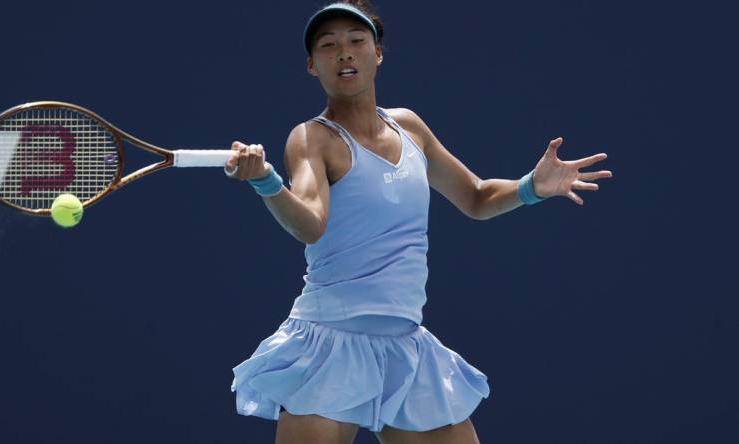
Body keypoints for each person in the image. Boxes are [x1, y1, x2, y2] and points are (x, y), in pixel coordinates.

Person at [225, 1, 613, 443]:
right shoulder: (312, 138)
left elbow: (477, 197)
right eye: (329, 46)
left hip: (405, 345)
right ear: (313, 66)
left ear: (378, 53)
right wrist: (267, 182)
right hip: (329, 344)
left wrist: (531, 187)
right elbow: (310, 224)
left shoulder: (409, 127)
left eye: (356, 41)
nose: (345, 53)